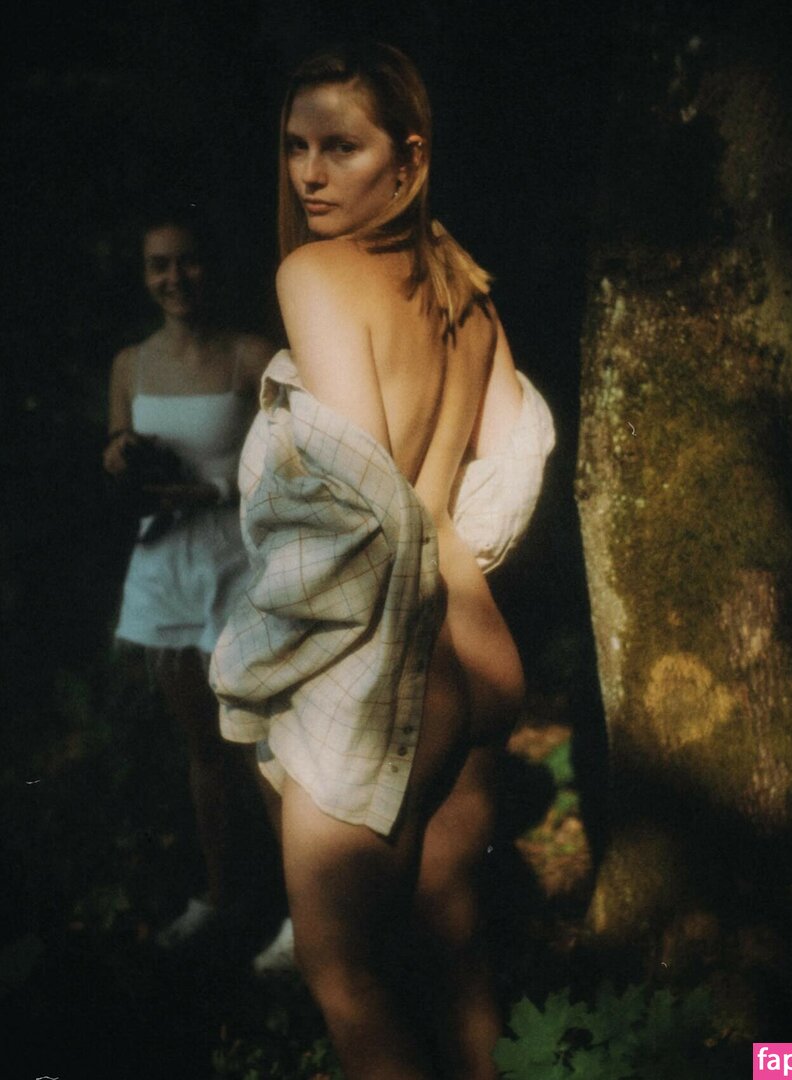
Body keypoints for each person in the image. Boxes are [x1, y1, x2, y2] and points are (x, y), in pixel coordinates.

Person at [210, 42, 554, 1079]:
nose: (309, 174)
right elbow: (515, 464)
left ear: (408, 159)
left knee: (345, 979)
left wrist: (255, 657)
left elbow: (358, 504)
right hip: (476, 643)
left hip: (387, 657)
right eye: (295, 146)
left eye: (341, 148)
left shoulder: (313, 274)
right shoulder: (464, 287)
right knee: (454, 956)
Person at [103, 205, 274, 947]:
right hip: (165, 567)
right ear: (145, 274)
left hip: (240, 566)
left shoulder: (253, 356)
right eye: (158, 265)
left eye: (188, 261)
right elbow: (118, 445)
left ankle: (305, 914)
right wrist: (118, 454)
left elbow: (292, 463)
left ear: (212, 266)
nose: (175, 278)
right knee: (203, 746)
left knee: (267, 741)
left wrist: (213, 490)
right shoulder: (130, 364)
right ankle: (220, 896)